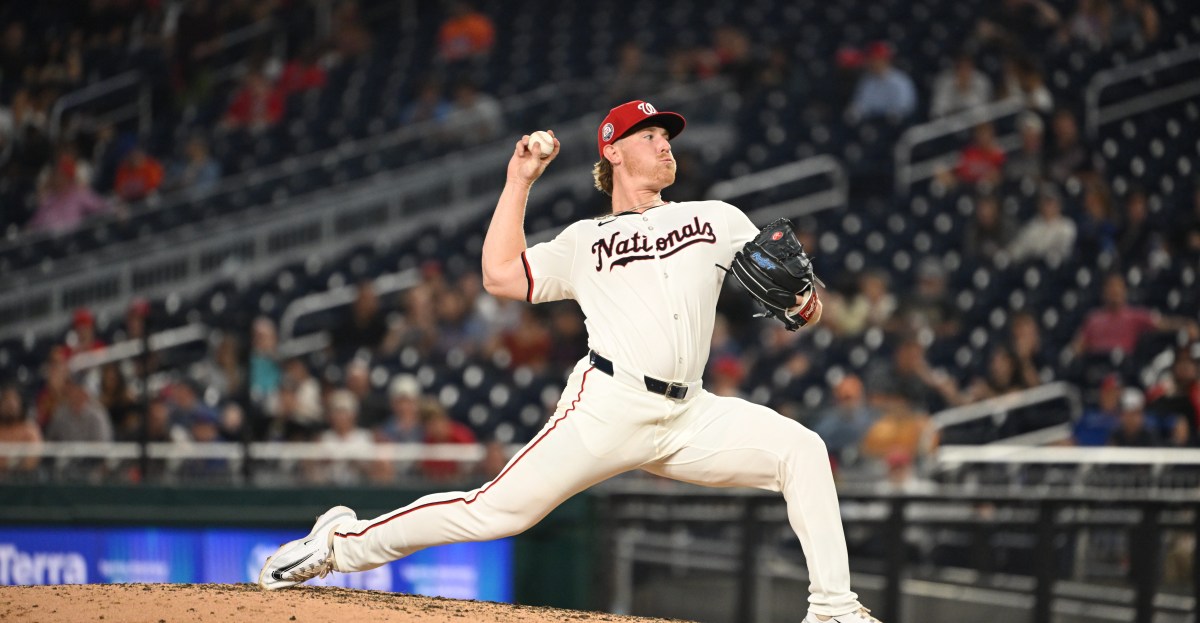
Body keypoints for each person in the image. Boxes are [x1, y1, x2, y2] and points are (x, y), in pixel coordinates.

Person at [260, 100, 882, 623]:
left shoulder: (714, 219)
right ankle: (338, 546)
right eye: (652, 135)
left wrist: (804, 304)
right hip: (609, 406)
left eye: (668, 137)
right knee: (495, 511)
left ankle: (833, 607)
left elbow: (799, 304)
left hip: (690, 414)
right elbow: (500, 276)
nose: (666, 146)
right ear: (612, 150)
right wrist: (519, 181)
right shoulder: (585, 241)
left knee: (800, 450)